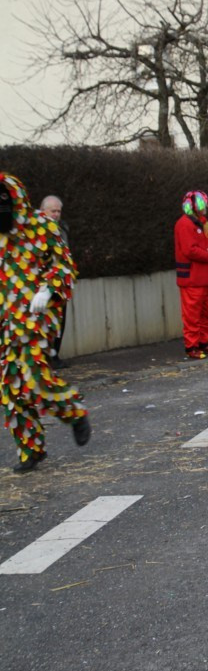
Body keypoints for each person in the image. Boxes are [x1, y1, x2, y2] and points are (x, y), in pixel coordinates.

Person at [0, 173, 91, 473]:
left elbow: (64, 266)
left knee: (35, 380)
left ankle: (73, 410)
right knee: (12, 390)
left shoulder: (42, 226)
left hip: (38, 318)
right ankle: (31, 449)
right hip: (6, 324)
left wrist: (49, 287)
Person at [174, 190, 208, 359]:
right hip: (193, 277)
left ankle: (203, 343)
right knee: (192, 315)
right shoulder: (185, 224)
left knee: (204, 313)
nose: (206, 208)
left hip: (204, 276)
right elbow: (190, 250)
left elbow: (198, 248)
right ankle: (192, 346)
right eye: (204, 205)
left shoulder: (200, 223)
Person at [39, 195, 71, 368]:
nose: (57, 214)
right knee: (45, 321)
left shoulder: (63, 228)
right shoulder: (36, 228)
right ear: (43, 210)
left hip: (61, 281)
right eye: (53, 211)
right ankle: (44, 357)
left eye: (59, 211)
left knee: (60, 320)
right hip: (44, 283)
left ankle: (55, 355)